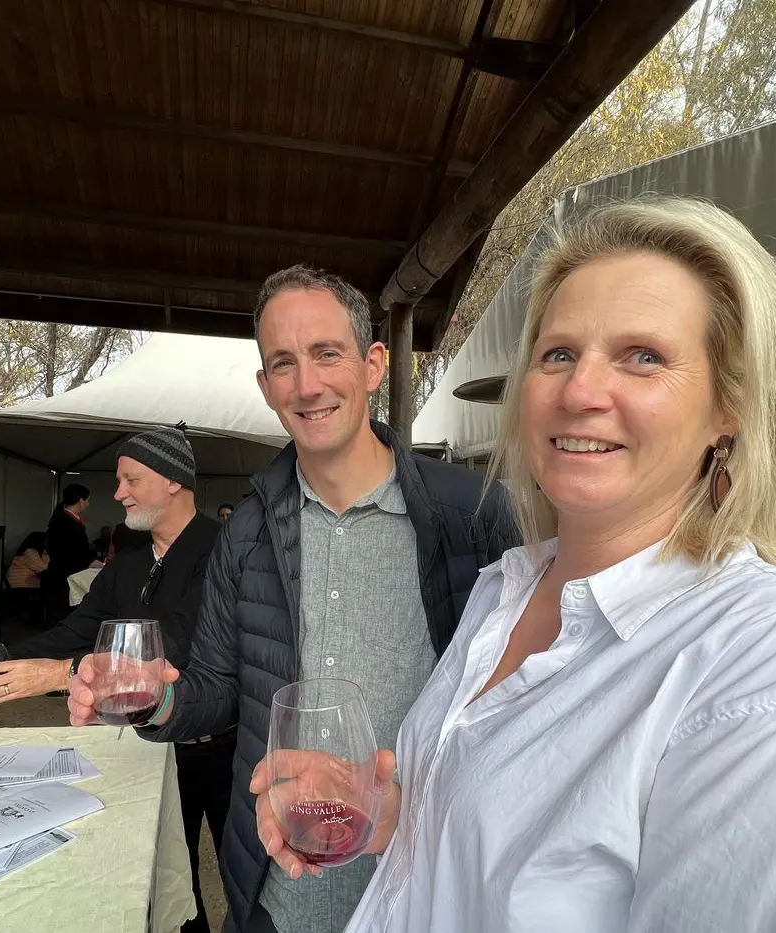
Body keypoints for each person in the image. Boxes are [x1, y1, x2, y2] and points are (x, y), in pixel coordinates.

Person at [247, 198, 776, 932]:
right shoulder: (506, 590)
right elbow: (489, 853)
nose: (580, 391)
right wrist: (389, 807)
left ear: (731, 408)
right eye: (558, 354)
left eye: (642, 356)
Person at [69, 264, 518, 933]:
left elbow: (520, 710)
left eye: (326, 353)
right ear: (265, 385)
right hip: (279, 897)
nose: (307, 384)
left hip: (424, 891)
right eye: (283, 362)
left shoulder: (473, 515)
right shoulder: (246, 529)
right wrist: (159, 695)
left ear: (371, 364)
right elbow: (219, 687)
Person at [0, 426, 227, 933]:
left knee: (241, 881)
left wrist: (65, 673)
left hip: (218, 750)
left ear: (173, 481)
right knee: (165, 884)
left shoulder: (223, 551)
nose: (118, 492)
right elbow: (73, 631)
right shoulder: (128, 564)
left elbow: (183, 643)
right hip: (141, 746)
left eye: (130, 480)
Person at [43, 483, 93, 625]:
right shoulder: (65, 522)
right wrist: (87, 562)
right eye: (87, 500)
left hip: (63, 573)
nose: (88, 504)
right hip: (64, 575)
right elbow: (69, 552)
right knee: (60, 615)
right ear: (80, 500)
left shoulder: (64, 519)